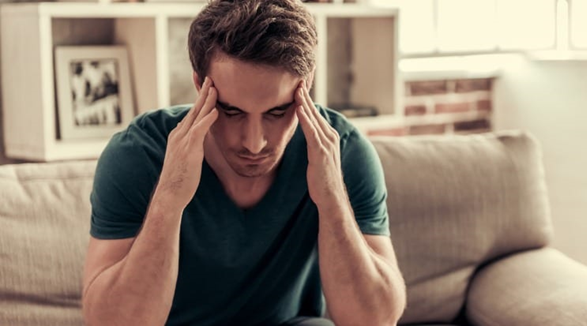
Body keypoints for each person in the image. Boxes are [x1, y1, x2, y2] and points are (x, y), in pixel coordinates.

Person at [81, 0, 406, 325]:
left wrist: (332, 196)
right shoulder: (139, 154)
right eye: (232, 111)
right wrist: (169, 198)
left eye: (277, 112)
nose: (254, 143)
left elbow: (375, 319)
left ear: (305, 86)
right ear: (199, 84)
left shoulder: (342, 150)